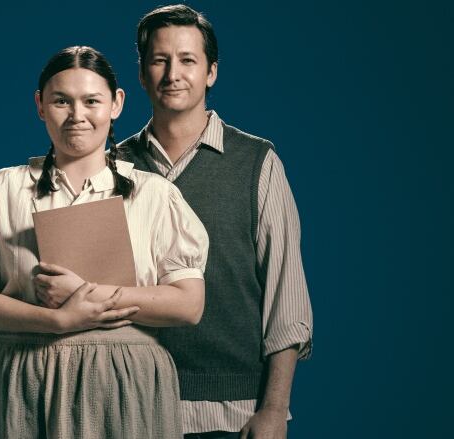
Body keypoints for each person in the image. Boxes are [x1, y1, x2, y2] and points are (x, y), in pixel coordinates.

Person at [0, 46, 209, 438]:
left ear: (116, 103)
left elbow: (189, 304)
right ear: (40, 105)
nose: (77, 116)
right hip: (25, 376)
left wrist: (86, 294)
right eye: (61, 101)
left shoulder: (155, 196)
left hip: (127, 382)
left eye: (92, 101)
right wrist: (56, 320)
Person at [116, 5, 314, 439]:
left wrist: (275, 409)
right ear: (142, 73)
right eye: (159, 60)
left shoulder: (257, 162)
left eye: (188, 60)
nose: (173, 73)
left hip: (232, 412)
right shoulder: (113, 166)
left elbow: (286, 297)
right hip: (129, 404)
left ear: (211, 72)